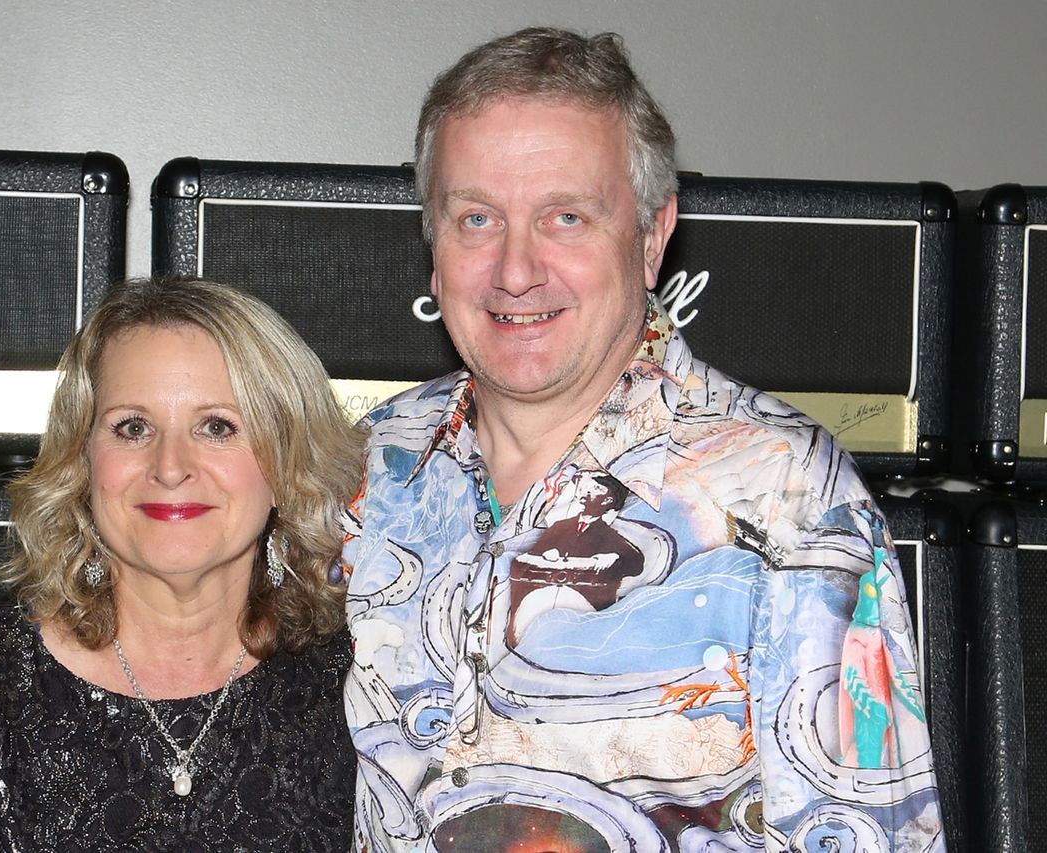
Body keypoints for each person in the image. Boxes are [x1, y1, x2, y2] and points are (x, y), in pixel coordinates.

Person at [342, 27, 946, 852]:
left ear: (653, 236)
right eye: (476, 218)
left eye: (566, 217)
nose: (516, 270)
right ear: (433, 242)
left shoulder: (789, 496)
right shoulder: (370, 467)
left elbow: (869, 831)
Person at [0, 277, 364, 851]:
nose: (170, 466)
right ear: (82, 459)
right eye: (133, 428)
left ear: (285, 460)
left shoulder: (365, 676)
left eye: (217, 427)